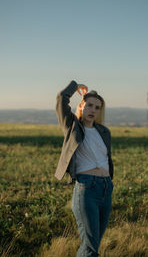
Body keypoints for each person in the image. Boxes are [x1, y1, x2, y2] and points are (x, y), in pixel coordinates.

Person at [55, 80, 114, 257]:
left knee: (93, 245)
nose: (93, 110)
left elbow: (106, 159)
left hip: (106, 188)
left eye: (97, 107)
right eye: (89, 105)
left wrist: (109, 181)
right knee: (90, 248)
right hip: (86, 188)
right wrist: (75, 86)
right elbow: (61, 99)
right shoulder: (72, 126)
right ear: (81, 106)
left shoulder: (104, 131)